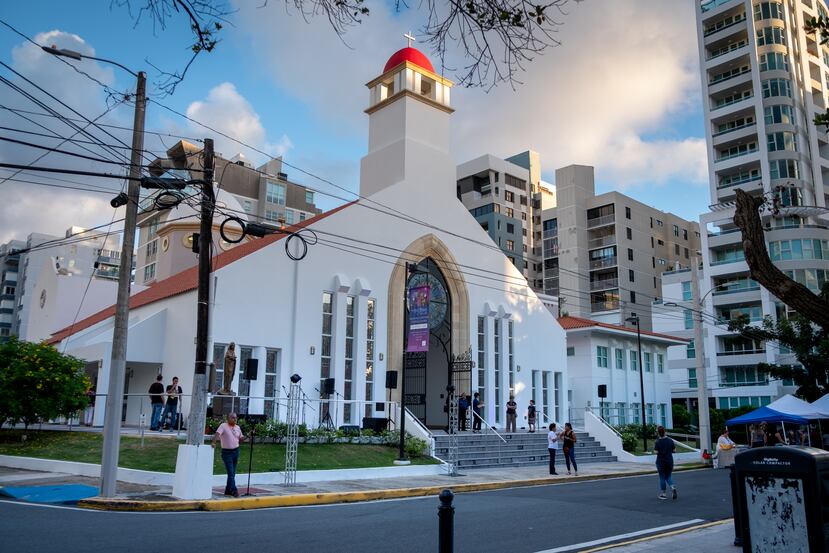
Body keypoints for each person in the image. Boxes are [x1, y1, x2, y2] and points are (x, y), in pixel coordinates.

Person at [212, 412, 245, 497]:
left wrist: (246, 437)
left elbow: (240, 439)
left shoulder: (237, 427)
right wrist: (213, 442)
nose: (235, 419)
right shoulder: (223, 426)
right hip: (227, 453)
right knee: (230, 472)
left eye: (236, 418)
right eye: (233, 418)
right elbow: (217, 434)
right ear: (228, 418)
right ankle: (234, 490)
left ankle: (228, 490)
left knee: (232, 473)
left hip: (236, 451)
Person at [653, 425, 677, 500]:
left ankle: (663, 494)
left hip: (661, 462)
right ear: (665, 432)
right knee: (668, 476)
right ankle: (672, 487)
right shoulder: (670, 440)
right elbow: (674, 450)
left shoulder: (657, 442)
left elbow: (656, 452)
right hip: (669, 461)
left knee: (662, 477)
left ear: (658, 433)